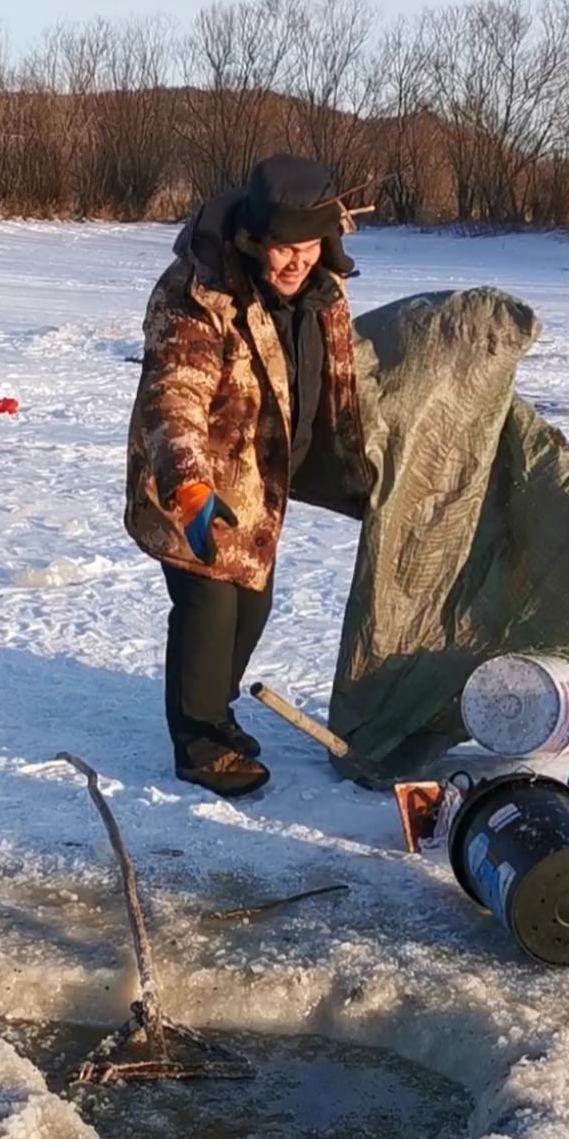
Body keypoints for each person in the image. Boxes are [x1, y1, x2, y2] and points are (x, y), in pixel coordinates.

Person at [125, 154, 373, 797]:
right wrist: (188, 486)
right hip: (191, 479)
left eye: (309, 247)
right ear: (253, 240)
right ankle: (199, 743)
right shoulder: (197, 291)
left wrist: (362, 463)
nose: (296, 261)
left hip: (258, 482)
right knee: (208, 604)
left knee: (251, 607)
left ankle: (217, 710)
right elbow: (172, 396)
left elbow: (343, 380)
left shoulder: (324, 290)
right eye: (282, 248)